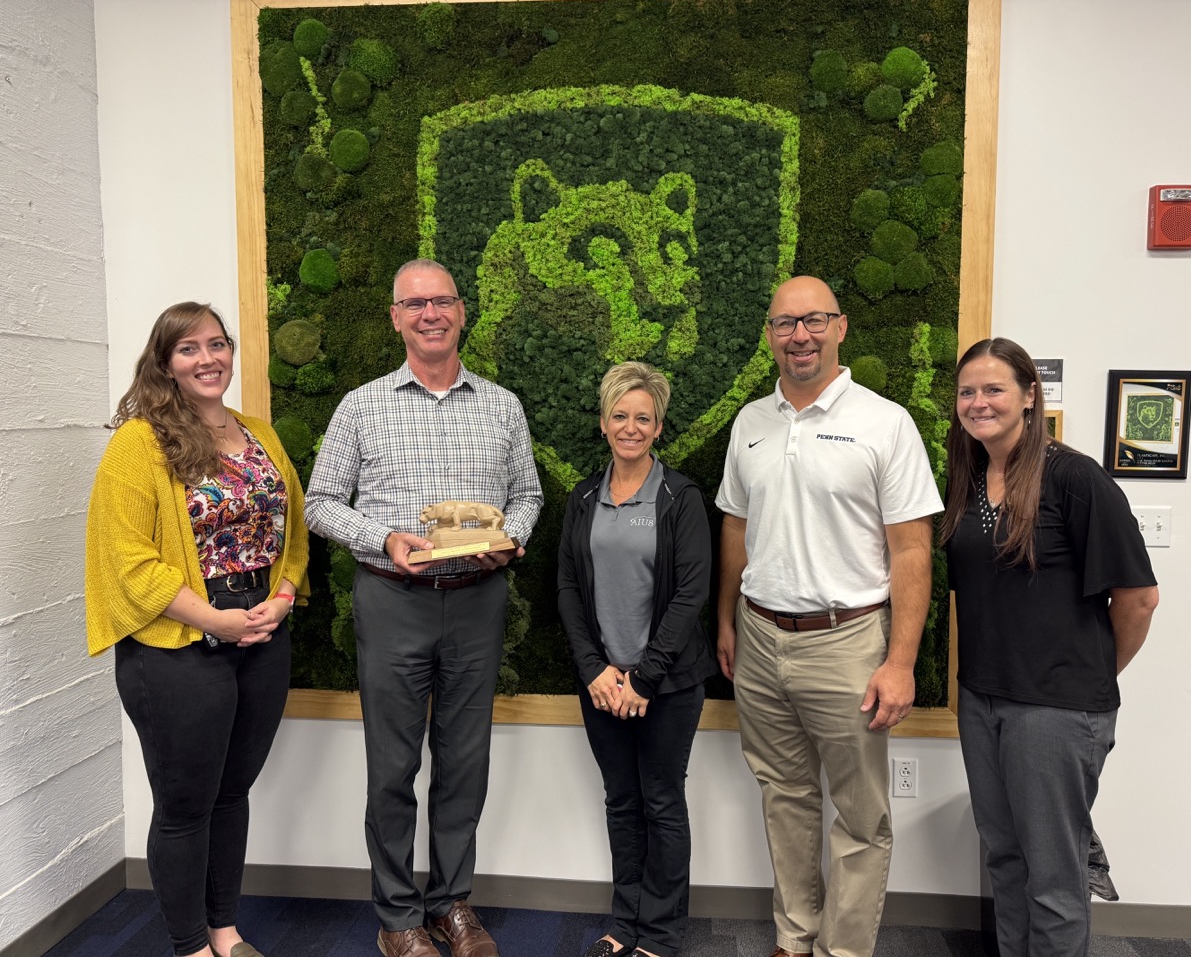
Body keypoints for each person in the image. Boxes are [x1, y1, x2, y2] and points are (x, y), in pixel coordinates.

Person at [305, 259, 543, 957]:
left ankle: (451, 904)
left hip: (478, 600)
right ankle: (398, 916)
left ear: (462, 311)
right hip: (392, 599)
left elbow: (527, 495)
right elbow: (320, 503)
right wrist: (381, 537)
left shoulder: (502, 406)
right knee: (393, 766)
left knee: (465, 762)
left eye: (441, 301)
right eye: (415, 304)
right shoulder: (361, 405)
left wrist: (514, 539)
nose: (429, 314)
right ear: (395, 318)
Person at [714, 276, 943, 957]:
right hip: (759, 637)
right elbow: (735, 527)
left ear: (840, 327)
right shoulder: (751, 422)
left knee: (860, 817)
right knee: (783, 797)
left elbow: (911, 549)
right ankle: (794, 938)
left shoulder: (885, 422)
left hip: (848, 643)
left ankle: (841, 951)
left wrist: (900, 661)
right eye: (785, 324)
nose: (800, 336)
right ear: (769, 336)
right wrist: (725, 622)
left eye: (814, 320)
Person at [85, 302, 308, 957]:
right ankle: (190, 946)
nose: (208, 358)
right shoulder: (139, 443)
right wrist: (214, 620)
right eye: (189, 349)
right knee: (185, 804)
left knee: (231, 792)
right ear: (165, 362)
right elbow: (129, 562)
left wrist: (285, 596)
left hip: (262, 634)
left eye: (217, 344)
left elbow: (289, 534)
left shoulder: (259, 432)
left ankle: (225, 930)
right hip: (178, 646)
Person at [940, 338, 1158, 957]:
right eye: (967, 391)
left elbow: (1138, 598)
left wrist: (1081, 680)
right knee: (1006, 861)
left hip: (1055, 710)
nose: (979, 402)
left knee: (1055, 882)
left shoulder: (1074, 477)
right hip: (982, 700)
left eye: (994, 389)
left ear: (1030, 396)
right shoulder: (969, 478)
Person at [558, 362, 716, 957]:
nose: (630, 426)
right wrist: (597, 670)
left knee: (661, 802)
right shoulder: (583, 498)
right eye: (620, 415)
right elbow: (569, 589)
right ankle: (624, 926)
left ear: (658, 427)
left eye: (642, 417)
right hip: (602, 686)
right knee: (622, 803)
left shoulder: (681, 497)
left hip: (667, 685)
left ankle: (661, 935)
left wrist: (643, 679)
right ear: (603, 424)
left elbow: (690, 595)